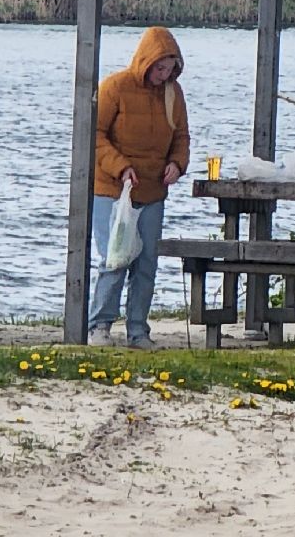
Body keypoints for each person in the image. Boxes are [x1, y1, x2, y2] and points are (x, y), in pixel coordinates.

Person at [90, 26, 189, 349]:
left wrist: (177, 164)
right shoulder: (114, 88)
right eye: (160, 67)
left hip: (152, 191)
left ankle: (138, 331)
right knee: (115, 258)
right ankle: (100, 327)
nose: (164, 74)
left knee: (146, 263)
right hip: (112, 190)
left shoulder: (174, 95)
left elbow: (181, 138)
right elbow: (96, 136)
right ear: (146, 61)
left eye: (170, 69)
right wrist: (121, 167)